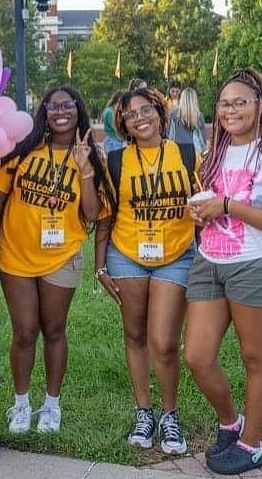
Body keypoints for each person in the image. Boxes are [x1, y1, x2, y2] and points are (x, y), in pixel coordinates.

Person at [186, 68, 262, 476]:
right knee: (198, 358)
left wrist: (227, 207)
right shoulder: (215, 152)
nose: (231, 109)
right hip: (210, 262)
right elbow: (215, 205)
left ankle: (252, 445)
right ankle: (230, 423)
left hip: (258, 266)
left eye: (241, 102)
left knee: (255, 358)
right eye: (224, 103)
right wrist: (202, 213)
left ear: (260, 106)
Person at [0, 85, 112, 434]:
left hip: (62, 256)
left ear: (79, 110)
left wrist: (84, 167)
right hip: (15, 254)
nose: (60, 111)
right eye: (53, 105)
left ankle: (51, 405)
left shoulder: (91, 155)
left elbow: (91, 213)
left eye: (68, 104)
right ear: (44, 111)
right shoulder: (23, 150)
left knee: (54, 330)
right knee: (24, 332)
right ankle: (21, 403)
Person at [94, 86, 198, 454]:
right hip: (127, 255)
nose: (139, 118)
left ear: (159, 111)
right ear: (122, 123)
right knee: (134, 335)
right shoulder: (117, 160)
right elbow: (106, 215)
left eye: (145, 110)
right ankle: (144, 412)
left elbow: (202, 205)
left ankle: (170, 415)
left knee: (163, 342)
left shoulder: (186, 154)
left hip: (177, 255)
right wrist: (99, 265)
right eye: (130, 114)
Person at [168, 88, 207, 155]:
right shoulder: (199, 116)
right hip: (194, 150)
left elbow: (170, 135)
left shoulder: (174, 114)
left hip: (177, 149)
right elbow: (203, 140)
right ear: (195, 99)